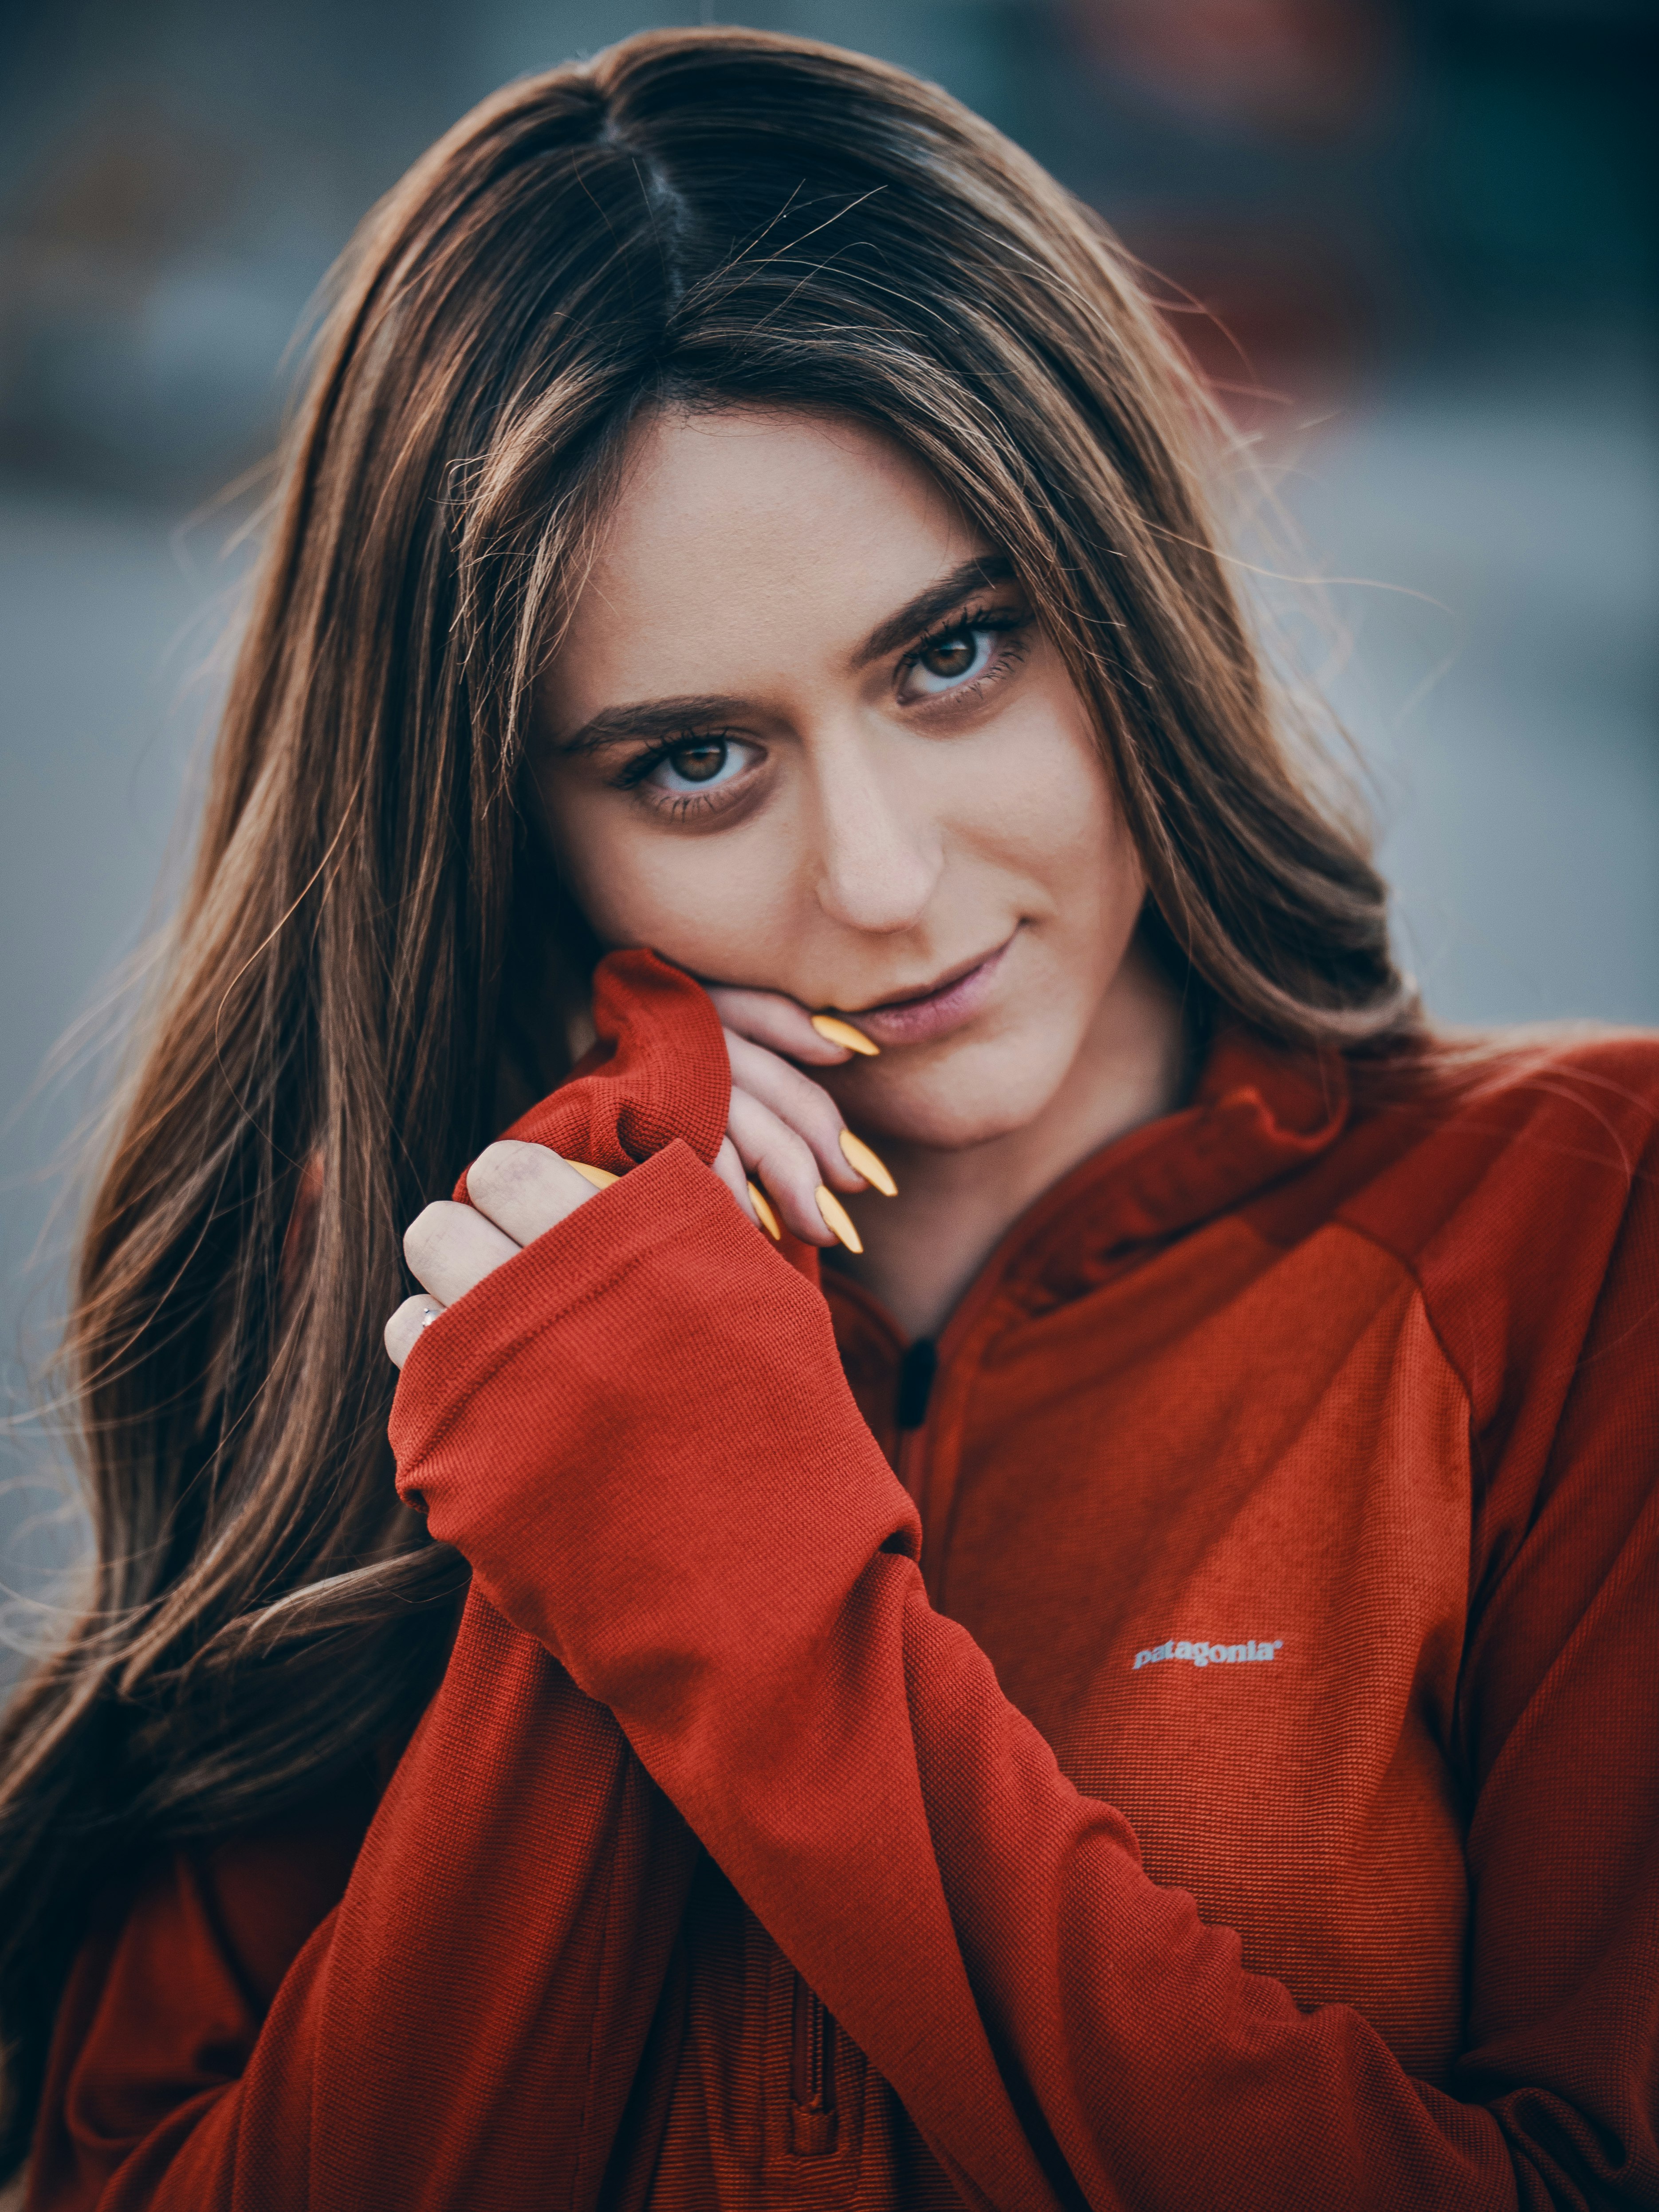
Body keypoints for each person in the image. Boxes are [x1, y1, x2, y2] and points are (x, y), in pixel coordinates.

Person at [1, 26, 1654, 2211]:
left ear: (1120, 580)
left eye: (953, 653)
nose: (877, 878)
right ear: (513, 826)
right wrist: (590, 1454)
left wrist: (738, 1584)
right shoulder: (423, 1312)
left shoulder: (1576, 1228)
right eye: (693, 760)